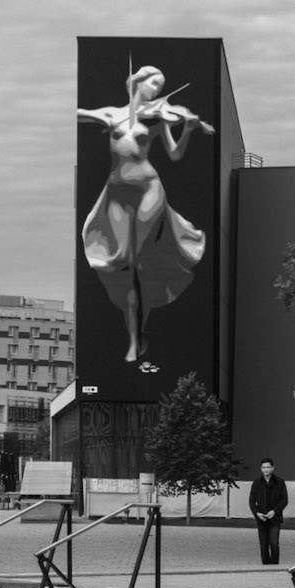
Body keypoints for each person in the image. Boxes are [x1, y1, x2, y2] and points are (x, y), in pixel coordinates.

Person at [78, 64, 213, 374]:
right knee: (120, 262)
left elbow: (175, 154)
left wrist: (190, 128)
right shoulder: (112, 114)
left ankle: (135, 340)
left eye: (159, 85)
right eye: (153, 83)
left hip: (148, 189)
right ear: (137, 82)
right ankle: (135, 336)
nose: (156, 90)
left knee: (137, 261)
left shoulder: (160, 115)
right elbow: (80, 112)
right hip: (115, 193)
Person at [249, 458, 288, 565]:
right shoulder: (257, 483)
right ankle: (265, 567)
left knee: (274, 543)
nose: (266, 469)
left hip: (275, 518)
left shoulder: (280, 482)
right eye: (264, 467)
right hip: (261, 519)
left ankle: (275, 566)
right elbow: (252, 501)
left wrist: (274, 511)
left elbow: (284, 500)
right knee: (263, 545)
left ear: (272, 468)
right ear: (261, 469)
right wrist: (257, 513)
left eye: (268, 467)